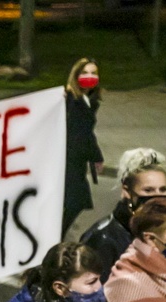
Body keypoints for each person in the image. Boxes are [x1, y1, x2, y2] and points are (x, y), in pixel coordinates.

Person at [80, 147, 166, 282]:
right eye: (148, 190)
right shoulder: (103, 239)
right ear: (127, 191)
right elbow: (93, 293)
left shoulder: (162, 229)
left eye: (163, 190)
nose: (157, 197)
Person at [63, 57, 104, 237]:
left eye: (93, 73)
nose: (90, 76)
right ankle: (52, 239)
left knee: (72, 202)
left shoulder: (89, 100)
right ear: (76, 75)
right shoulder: (71, 100)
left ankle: (54, 238)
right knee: (75, 201)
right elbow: (79, 134)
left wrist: (97, 156)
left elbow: (88, 132)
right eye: (85, 72)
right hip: (67, 161)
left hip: (76, 163)